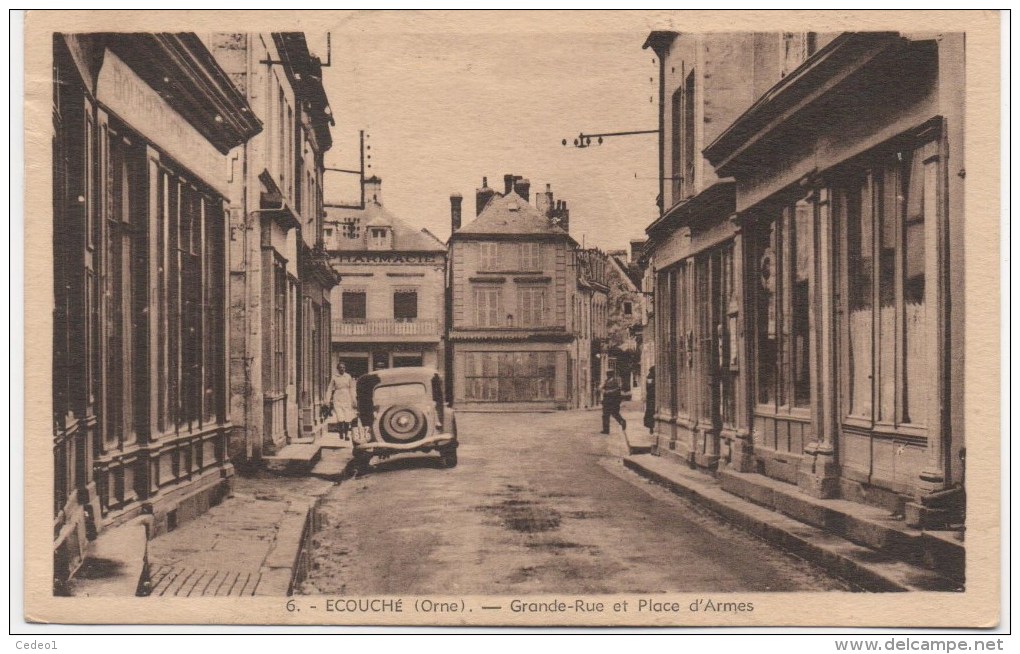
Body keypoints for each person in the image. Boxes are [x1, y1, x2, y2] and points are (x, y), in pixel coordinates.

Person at [327, 362, 357, 441]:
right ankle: (341, 431)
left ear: (345, 368)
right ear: (338, 369)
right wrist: (327, 399)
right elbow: (330, 389)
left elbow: (352, 388)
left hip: (347, 397)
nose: (342, 369)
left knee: (347, 417)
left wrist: (354, 399)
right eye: (340, 367)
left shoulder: (348, 376)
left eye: (343, 367)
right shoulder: (334, 377)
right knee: (340, 417)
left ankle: (346, 434)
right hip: (337, 397)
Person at [599, 371, 627, 435]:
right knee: (605, 415)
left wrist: (607, 392)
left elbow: (617, 390)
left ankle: (622, 421)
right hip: (606, 401)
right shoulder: (606, 381)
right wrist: (601, 389)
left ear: (612, 375)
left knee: (615, 414)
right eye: (607, 374)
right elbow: (601, 388)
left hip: (614, 401)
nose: (608, 375)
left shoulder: (616, 382)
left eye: (609, 374)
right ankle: (606, 430)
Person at [643, 366, 656, 435]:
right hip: (651, 397)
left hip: (651, 397)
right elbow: (649, 386)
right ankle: (651, 427)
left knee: (651, 411)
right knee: (651, 411)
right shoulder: (650, 377)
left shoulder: (650, 376)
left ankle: (652, 427)